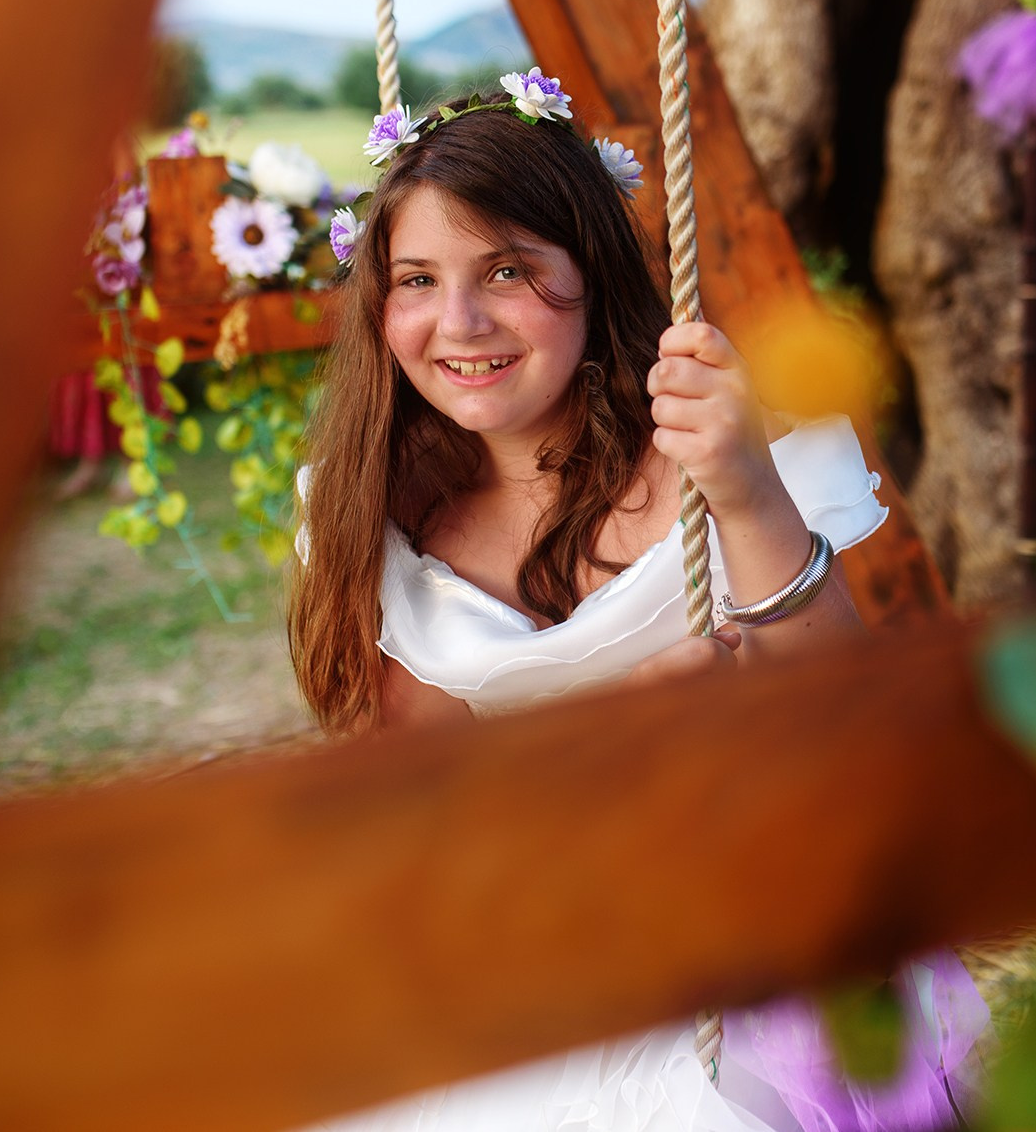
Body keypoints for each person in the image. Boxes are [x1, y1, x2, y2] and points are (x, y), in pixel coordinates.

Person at [288, 78, 988, 1131]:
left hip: (758, 931)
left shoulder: (708, 458)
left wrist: (746, 487)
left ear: (591, 270)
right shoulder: (386, 518)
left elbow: (841, 710)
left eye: (508, 270)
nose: (459, 321)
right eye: (416, 279)